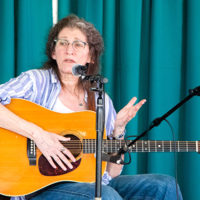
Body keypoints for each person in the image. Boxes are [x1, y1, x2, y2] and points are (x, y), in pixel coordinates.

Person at [0, 15, 182, 200]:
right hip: (37, 186)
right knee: (106, 195)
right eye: (63, 43)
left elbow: (110, 173)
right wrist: (38, 135)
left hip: (91, 183)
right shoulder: (36, 81)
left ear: (91, 56)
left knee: (164, 186)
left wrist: (118, 130)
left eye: (78, 44)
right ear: (54, 52)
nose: (69, 50)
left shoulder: (100, 98)